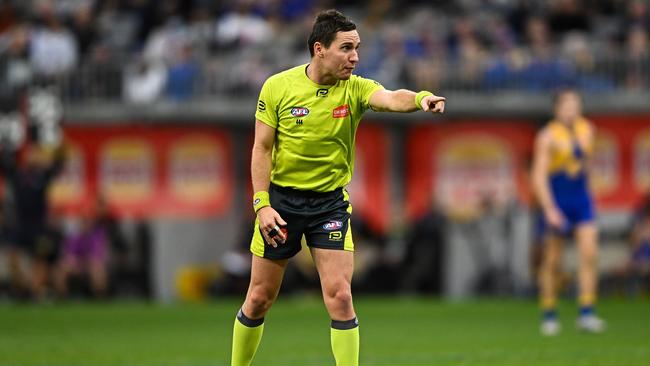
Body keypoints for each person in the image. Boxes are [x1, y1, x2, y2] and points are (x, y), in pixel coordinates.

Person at [230, 9, 445, 366]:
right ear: (320, 49)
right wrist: (261, 204)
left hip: (329, 206)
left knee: (341, 297)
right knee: (258, 298)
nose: (355, 57)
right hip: (281, 204)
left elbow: (391, 97)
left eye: (357, 48)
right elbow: (262, 149)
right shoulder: (278, 87)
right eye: (346, 48)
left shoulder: (356, 88)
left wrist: (421, 98)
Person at [531, 89, 605, 336]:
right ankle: (549, 313)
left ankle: (587, 311)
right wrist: (550, 209)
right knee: (553, 261)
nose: (572, 110)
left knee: (589, 254)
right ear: (557, 109)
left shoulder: (588, 130)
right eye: (567, 105)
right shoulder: (547, 136)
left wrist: (591, 191)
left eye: (576, 105)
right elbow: (539, 176)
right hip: (558, 199)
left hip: (581, 199)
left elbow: (587, 164)